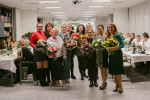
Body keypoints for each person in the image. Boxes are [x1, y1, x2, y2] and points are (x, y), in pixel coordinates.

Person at [106, 23, 124, 93]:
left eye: (111, 27)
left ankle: (121, 86)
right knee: (114, 71)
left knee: (118, 71)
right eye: (109, 27)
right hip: (111, 55)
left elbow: (122, 45)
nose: (110, 28)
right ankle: (116, 85)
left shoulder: (118, 35)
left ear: (114, 28)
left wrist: (116, 48)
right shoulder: (108, 36)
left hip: (117, 55)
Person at [95, 25, 108, 90]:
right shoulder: (96, 37)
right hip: (98, 54)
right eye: (98, 29)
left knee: (104, 69)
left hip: (104, 54)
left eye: (100, 29)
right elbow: (94, 45)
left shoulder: (106, 37)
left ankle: (104, 82)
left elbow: (108, 45)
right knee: (101, 68)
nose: (99, 30)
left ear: (103, 29)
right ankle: (104, 82)